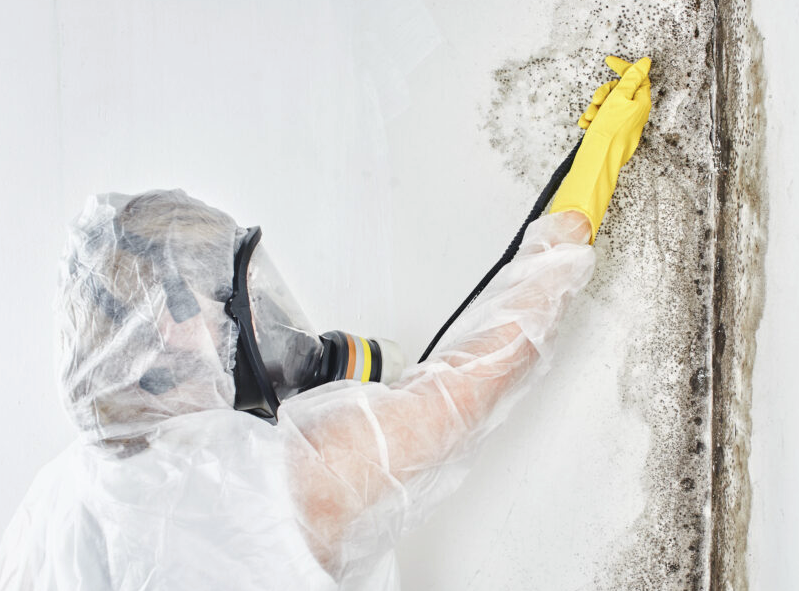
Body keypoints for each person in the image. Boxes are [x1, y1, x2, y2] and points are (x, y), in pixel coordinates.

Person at [0, 55, 651, 590]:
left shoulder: (50, 506)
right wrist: (582, 192)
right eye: (228, 293)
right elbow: (468, 386)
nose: (255, 314)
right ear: (173, 322)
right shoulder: (246, 485)